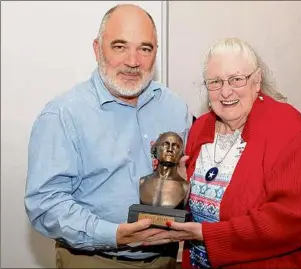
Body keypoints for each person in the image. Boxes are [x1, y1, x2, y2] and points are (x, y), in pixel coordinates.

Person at [144, 38, 301, 269]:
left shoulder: (289, 129)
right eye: (215, 82)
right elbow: (198, 204)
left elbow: (293, 219)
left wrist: (210, 235)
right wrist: (182, 186)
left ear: (257, 80)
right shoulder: (200, 128)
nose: (225, 91)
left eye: (236, 79)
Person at [24, 4, 192, 269]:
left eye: (144, 48)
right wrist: (112, 235)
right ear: (97, 49)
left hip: (166, 259)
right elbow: (45, 205)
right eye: (119, 46)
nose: (133, 61)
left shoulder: (175, 108)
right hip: (95, 260)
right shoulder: (63, 114)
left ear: (155, 53)